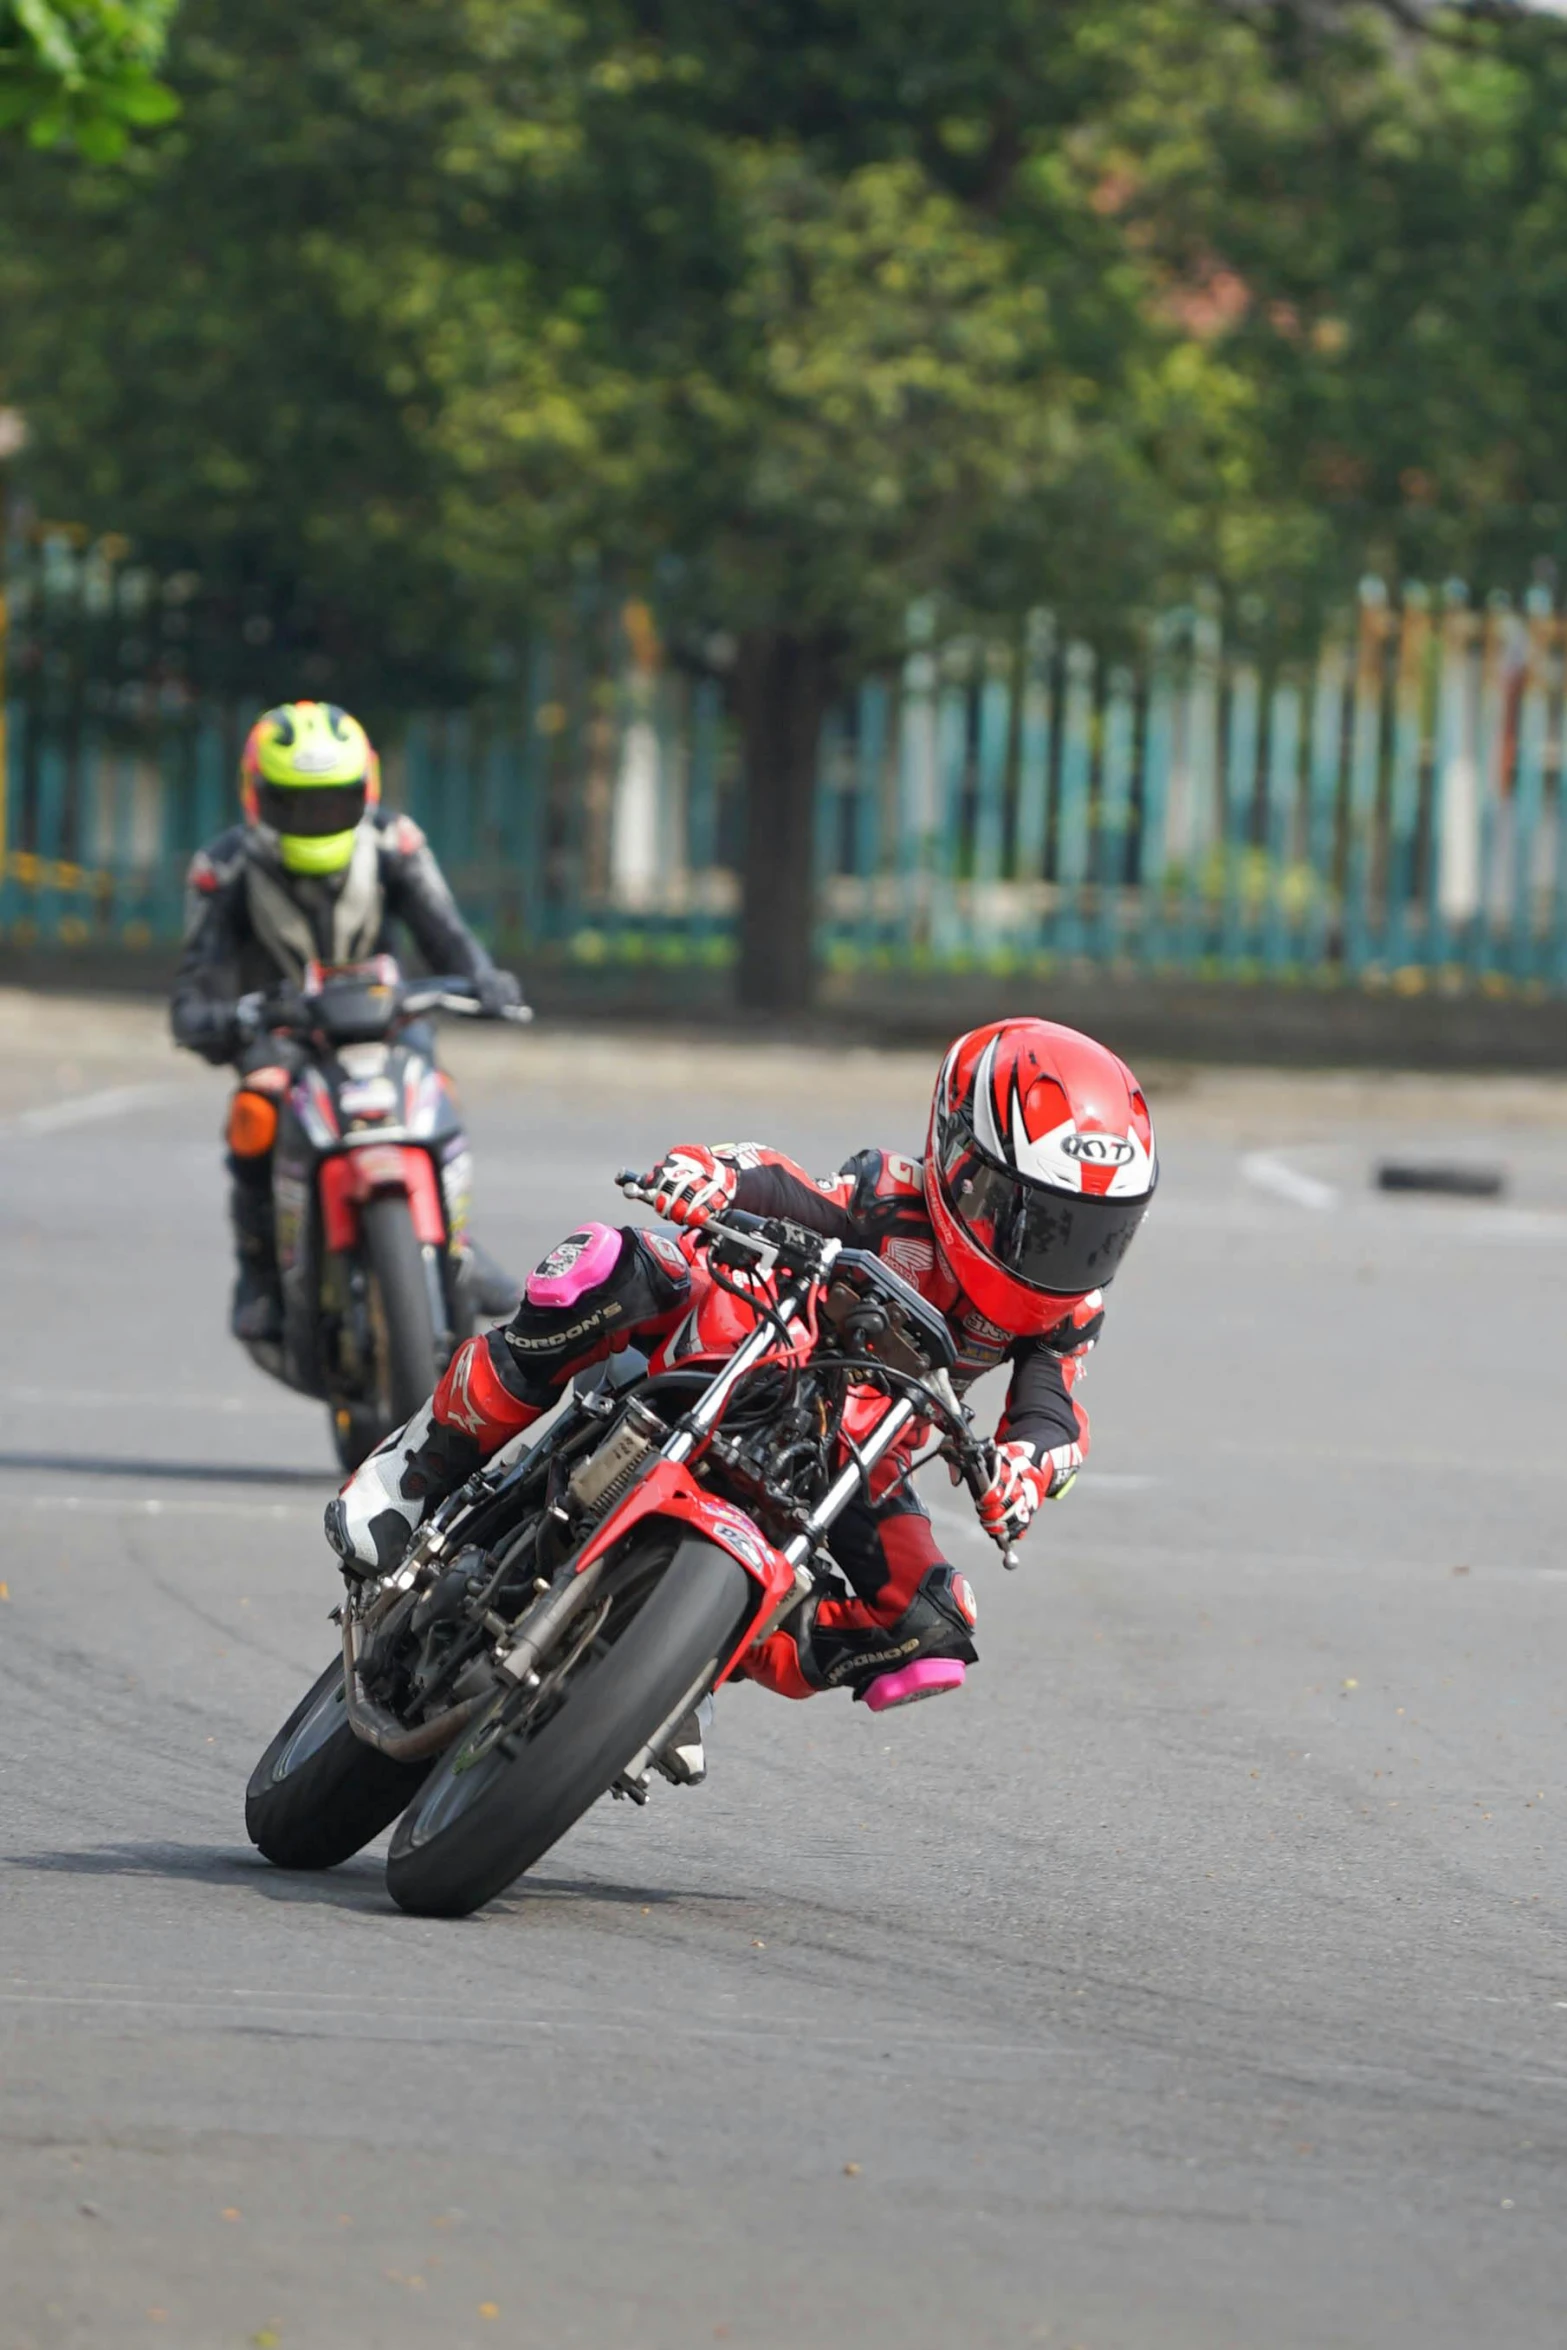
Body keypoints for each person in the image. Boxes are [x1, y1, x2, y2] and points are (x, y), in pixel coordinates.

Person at [327, 1018, 1156, 1751]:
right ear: (964, 1166)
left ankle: (684, 1658)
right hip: (747, 1342)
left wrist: (1024, 1468)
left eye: (1090, 1235)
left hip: (852, 1458)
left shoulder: (1062, 1313)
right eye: (1038, 1220)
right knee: (608, 1267)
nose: (1062, 1256)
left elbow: (1053, 1412)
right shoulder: (889, 1197)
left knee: (934, 1626)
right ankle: (415, 1469)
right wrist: (708, 1177)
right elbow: (776, 1179)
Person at [170, 699, 525, 1341]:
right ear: (257, 797)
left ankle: (457, 1249)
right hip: (281, 1031)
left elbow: (448, 936)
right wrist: (216, 1017)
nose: (312, 819)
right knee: (257, 1108)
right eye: (293, 803)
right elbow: (195, 987)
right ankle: (258, 1269)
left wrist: (485, 980)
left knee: (432, 1095)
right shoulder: (222, 868)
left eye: (331, 801)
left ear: (365, 792)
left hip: (384, 1019)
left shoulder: (396, 843)